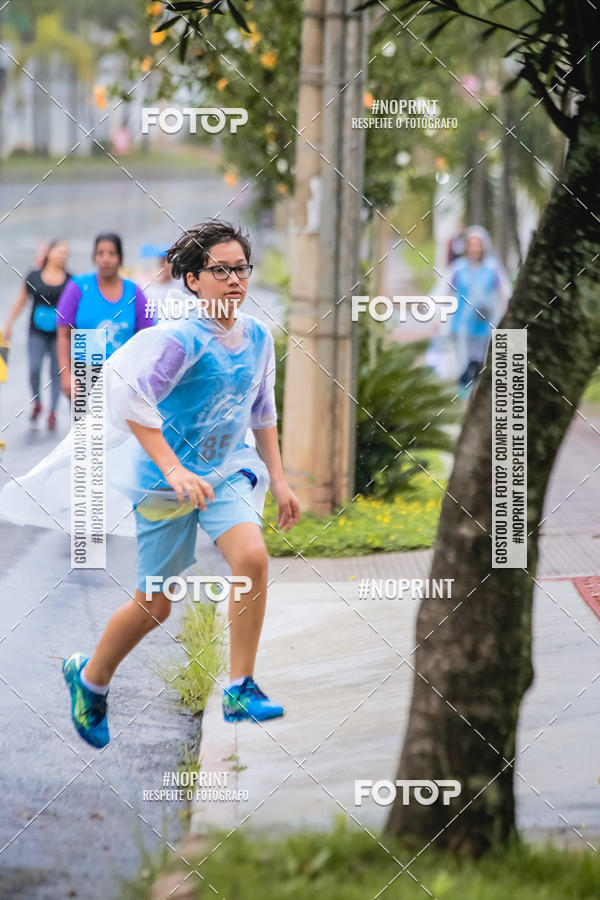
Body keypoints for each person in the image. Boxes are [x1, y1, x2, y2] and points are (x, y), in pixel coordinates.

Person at [62, 219, 301, 748]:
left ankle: (240, 687)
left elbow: (263, 413)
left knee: (253, 558)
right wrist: (174, 468)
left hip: (227, 471)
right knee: (156, 604)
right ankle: (90, 678)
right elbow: (134, 403)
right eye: (221, 271)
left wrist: (280, 481)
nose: (235, 280)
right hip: (163, 482)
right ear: (193, 280)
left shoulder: (258, 337)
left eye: (241, 269)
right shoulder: (181, 340)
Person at [56, 233, 153, 398]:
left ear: (120, 258)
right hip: (85, 369)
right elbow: (63, 335)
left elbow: (148, 338)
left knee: (119, 424)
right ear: (94, 257)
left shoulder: (133, 292)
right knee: (87, 424)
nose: (106, 259)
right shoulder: (79, 287)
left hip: (123, 375)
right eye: (100, 253)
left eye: (112, 253)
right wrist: (66, 376)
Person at [430, 225, 511, 389]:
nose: (475, 248)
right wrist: (437, 317)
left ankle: (477, 400)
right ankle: (465, 402)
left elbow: (506, 294)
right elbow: (442, 293)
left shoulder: (493, 268)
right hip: (461, 327)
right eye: (471, 244)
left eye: (478, 244)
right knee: (463, 369)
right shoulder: (458, 269)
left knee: (482, 367)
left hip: (486, 328)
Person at [3, 240, 71, 430]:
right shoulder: (33, 276)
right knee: (34, 369)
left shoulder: (71, 280)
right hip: (36, 333)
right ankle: (37, 402)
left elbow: (77, 308)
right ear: (49, 253)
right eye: (60, 251)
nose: (63, 256)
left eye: (66, 253)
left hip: (60, 335)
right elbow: (21, 301)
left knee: (56, 373)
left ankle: (53, 412)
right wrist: (8, 325)